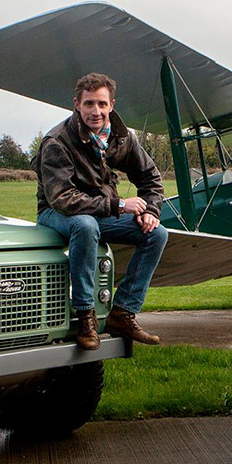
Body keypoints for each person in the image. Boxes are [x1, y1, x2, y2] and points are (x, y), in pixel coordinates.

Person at [35, 72, 169, 348]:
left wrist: (150, 212)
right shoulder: (57, 142)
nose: (96, 111)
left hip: (99, 214)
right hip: (55, 214)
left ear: (111, 105)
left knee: (157, 234)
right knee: (85, 225)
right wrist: (119, 205)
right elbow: (63, 198)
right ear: (77, 104)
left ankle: (123, 313)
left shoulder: (120, 138)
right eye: (89, 104)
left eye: (101, 104)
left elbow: (151, 178)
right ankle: (85, 316)